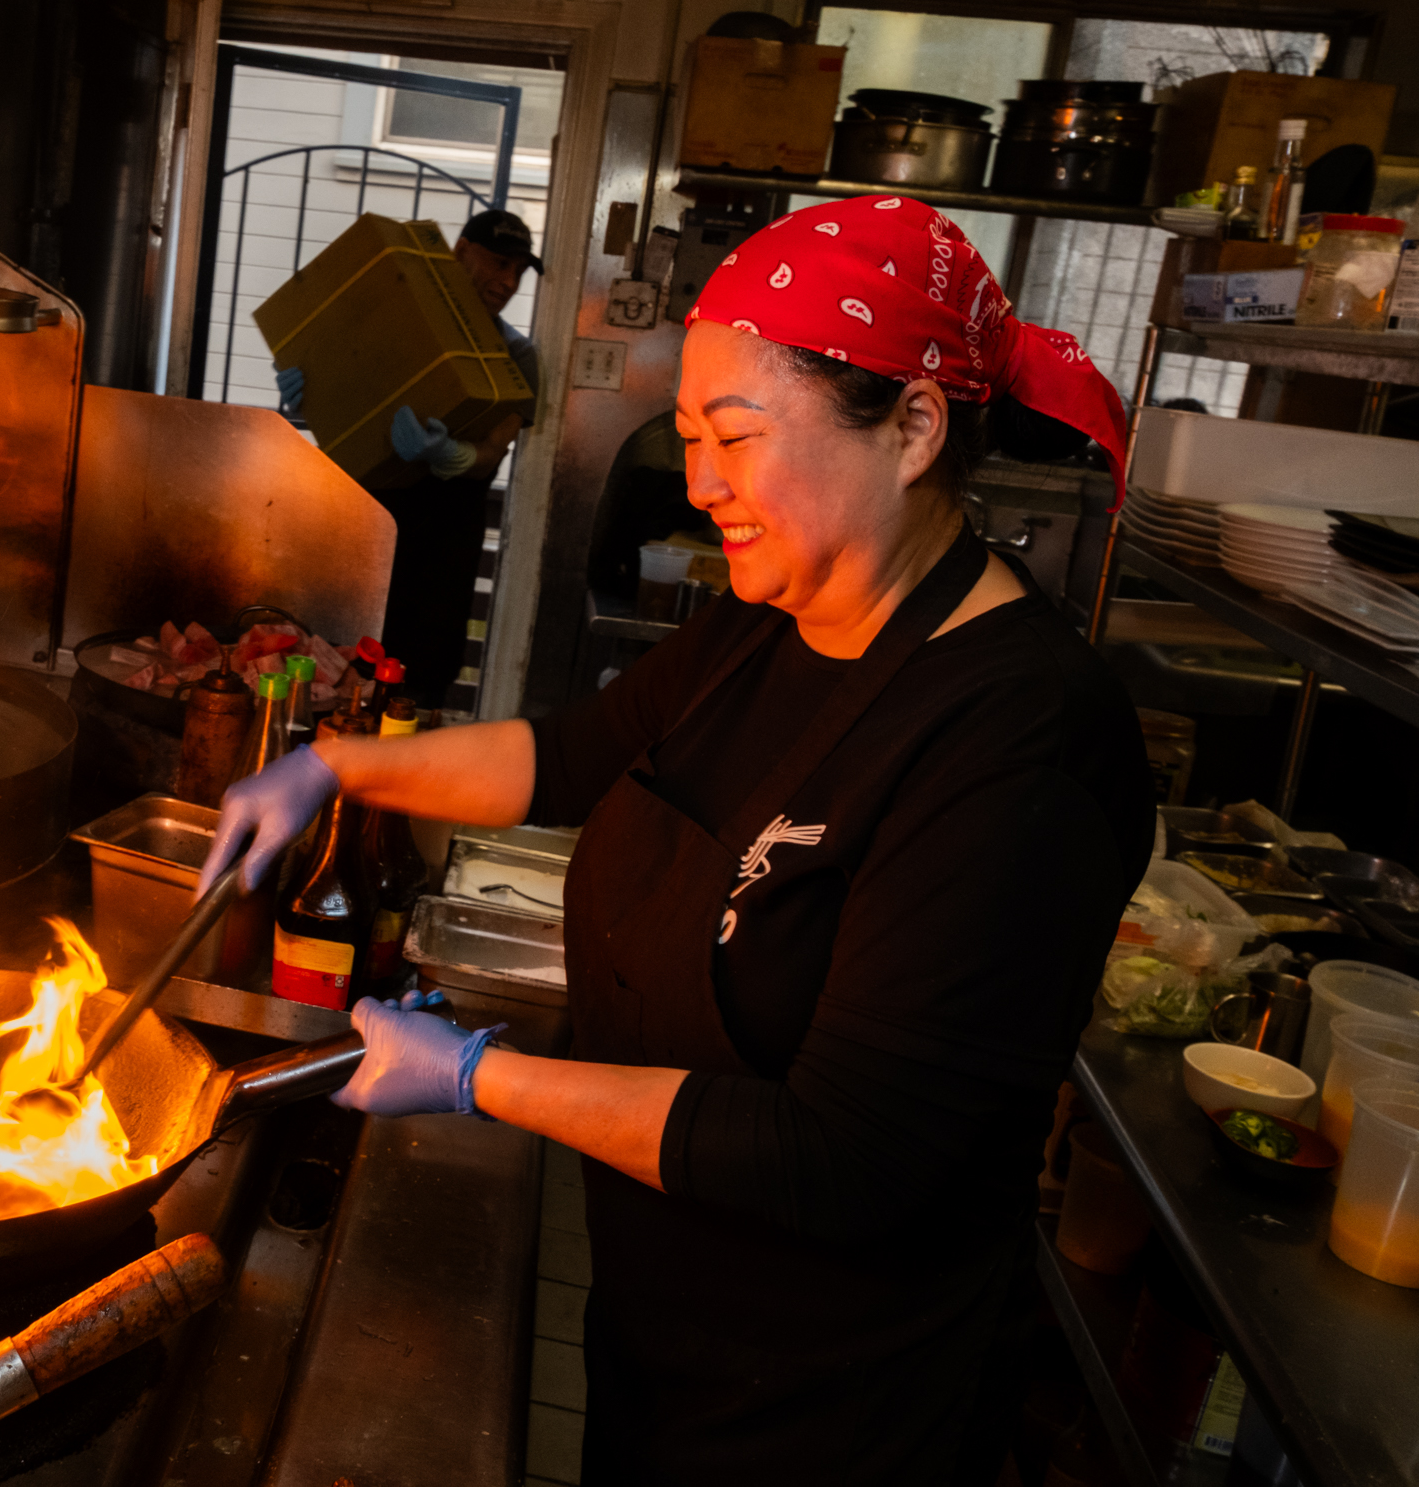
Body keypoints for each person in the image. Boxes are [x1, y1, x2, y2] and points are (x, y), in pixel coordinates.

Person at [205, 195, 1155, 1484]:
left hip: (836, 1407)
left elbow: (841, 1153)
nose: (700, 479)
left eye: (738, 435)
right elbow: (566, 755)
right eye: (692, 433)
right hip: (669, 1321)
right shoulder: (781, 612)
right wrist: (336, 763)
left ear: (915, 427)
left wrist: (481, 1075)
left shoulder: (1018, 745)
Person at [280, 207, 544, 710]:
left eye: (519, 270)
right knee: (331, 675)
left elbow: (491, 455)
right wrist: (311, 398)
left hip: (438, 553)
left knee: (412, 692)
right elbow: (351, 417)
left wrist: (447, 455)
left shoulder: (517, 356)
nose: (508, 281)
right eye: (498, 263)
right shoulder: (393, 320)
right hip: (359, 530)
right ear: (460, 251)